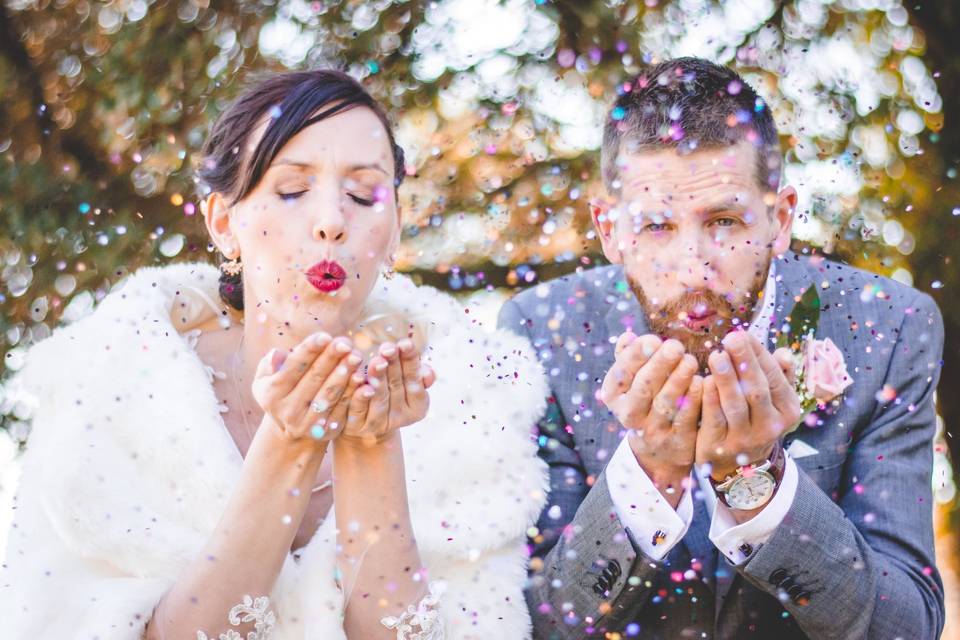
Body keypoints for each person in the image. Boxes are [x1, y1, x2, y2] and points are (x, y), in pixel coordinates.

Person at [0, 69, 548, 639]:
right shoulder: (112, 386)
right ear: (222, 222)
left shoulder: (471, 410)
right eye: (291, 191)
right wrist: (287, 444)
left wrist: (372, 443)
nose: (332, 221)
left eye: (363, 195)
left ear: (394, 233)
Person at [501, 57, 945, 639]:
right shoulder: (541, 331)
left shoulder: (887, 329)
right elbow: (534, 622)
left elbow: (905, 626)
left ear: (780, 219)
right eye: (657, 226)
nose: (695, 267)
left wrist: (756, 482)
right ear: (610, 231)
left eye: (726, 221)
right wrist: (648, 476)